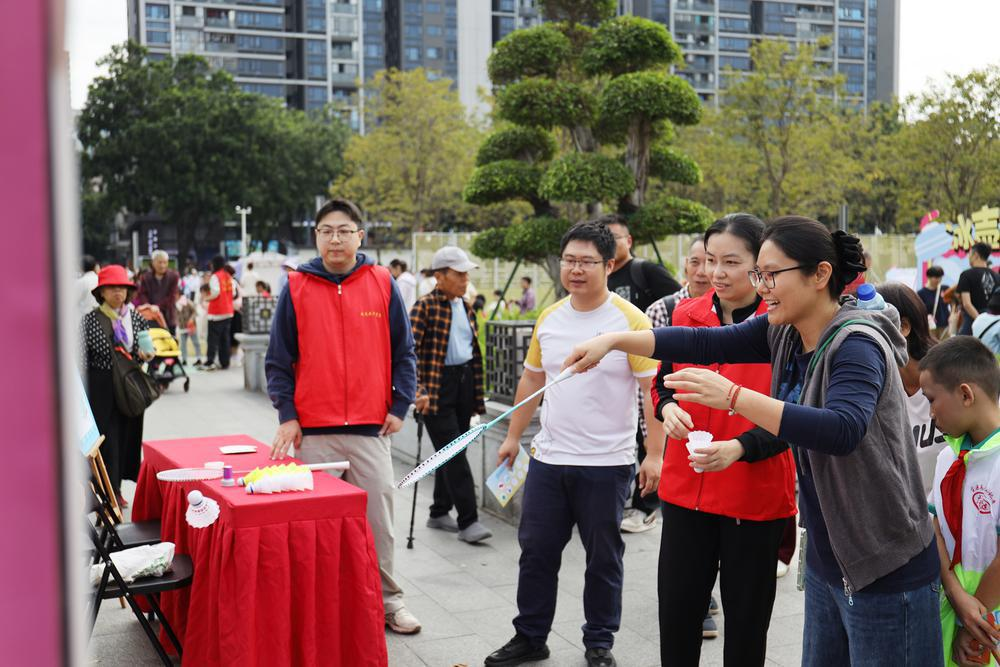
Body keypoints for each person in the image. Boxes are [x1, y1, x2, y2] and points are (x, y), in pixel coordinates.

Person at [565, 217, 942, 664]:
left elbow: (841, 430)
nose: (760, 286)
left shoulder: (857, 342)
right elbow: (702, 342)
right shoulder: (783, 330)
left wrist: (733, 398)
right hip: (829, 553)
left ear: (820, 274)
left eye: (770, 274)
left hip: (882, 555)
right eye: (758, 274)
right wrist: (613, 340)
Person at [484, 221, 663, 667]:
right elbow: (531, 379)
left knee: (604, 558)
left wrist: (654, 454)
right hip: (549, 458)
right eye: (569, 260)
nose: (575, 270)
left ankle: (599, 641)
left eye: (586, 262)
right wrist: (511, 436)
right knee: (536, 552)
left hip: (607, 463)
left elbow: (651, 390)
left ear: (609, 264)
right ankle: (530, 636)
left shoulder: (629, 321)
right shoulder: (551, 316)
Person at [265, 197, 421, 635]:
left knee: (379, 525)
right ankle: (318, 608)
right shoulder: (296, 287)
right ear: (316, 237)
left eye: (343, 230)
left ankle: (389, 603)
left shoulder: (382, 282)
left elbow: (403, 352)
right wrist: (287, 414)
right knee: (314, 529)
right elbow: (278, 359)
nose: (335, 238)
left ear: (360, 236)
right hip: (313, 433)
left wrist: (399, 404)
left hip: (371, 431)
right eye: (326, 231)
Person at [649, 214, 796, 665]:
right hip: (684, 488)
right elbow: (663, 382)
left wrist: (738, 448)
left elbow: (795, 417)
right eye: (710, 260)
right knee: (677, 619)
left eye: (731, 261)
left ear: (761, 264)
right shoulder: (686, 314)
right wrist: (667, 408)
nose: (715, 272)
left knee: (747, 629)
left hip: (751, 495)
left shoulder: (786, 325)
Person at [920, 336, 1000, 666]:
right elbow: (935, 524)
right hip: (952, 609)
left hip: (987, 621)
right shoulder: (948, 457)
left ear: (966, 394)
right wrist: (954, 593)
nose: (930, 413)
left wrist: (973, 623)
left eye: (932, 399)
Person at [601, 214, 681, 536]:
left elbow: (679, 305)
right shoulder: (600, 275)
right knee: (630, 435)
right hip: (613, 372)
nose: (611, 244)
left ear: (629, 241)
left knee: (649, 434)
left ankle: (646, 504)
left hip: (648, 368)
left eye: (616, 238)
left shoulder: (644, 271)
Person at [410, 246, 493, 544]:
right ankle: (468, 521)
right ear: (439, 276)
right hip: (435, 387)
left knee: (452, 449)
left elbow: (472, 351)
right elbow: (408, 353)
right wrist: (418, 390)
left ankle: (439, 511)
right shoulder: (424, 307)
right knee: (454, 451)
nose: (465, 279)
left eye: (466, 273)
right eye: (458, 274)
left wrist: (475, 395)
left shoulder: (465, 306)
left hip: (462, 384)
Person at [81, 265, 154, 503]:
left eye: (122, 288)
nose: (118, 293)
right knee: (107, 441)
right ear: (101, 292)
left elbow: (146, 350)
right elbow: (81, 358)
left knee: (127, 439)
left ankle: (118, 489)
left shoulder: (135, 317)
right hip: (101, 388)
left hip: (129, 388)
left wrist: (147, 356)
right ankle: (108, 492)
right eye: (112, 288)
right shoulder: (90, 320)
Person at [878, 283, 948, 496]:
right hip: (907, 521)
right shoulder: (877, 389)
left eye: (873, 325)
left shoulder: (951, 377)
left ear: (903, 327)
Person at [604, 215, 681, 313]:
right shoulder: (599, 277)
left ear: (629, 241)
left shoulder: (647, 270)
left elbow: (681, 301)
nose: (609, 243)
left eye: (614, 237)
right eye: (604, 239)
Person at [134, 249, 180, 332]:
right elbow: (143, 294)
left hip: (168, 315)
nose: (162, 265)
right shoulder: (146, 277)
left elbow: (172, 296)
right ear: (153, 263)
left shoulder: (174, 276)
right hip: (151, 315)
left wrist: (157, 306)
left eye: (165, 262)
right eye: (160, 262)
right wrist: (148, 306)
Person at [957, 242, 997, 335]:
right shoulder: (996, 276)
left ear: (975, 255)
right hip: (993, 324)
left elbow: (967, 304)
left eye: (969, 254)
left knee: (963, 347)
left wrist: (981, 322)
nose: (968, 257)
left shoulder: (966, 275)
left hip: (972, 323)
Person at [204, 255, 235, 370]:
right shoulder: (228, 275)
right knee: (225, 339)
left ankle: (210, 360)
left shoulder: (215, 276)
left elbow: (216, 292)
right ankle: (225, 362)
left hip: (216, 313)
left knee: (212, 339)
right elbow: (234, 292)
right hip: (228, 312)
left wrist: (207, 298)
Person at [919, 265, 950, 339]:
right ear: (929, 277)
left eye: (940, 277)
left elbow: (954, 302)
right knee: (933, 347)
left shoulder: (945, 289)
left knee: (945, 346)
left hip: (945, 325)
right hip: (931, 327)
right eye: (936, 277)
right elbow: (920, 310)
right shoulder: (921, 293)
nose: (939, 280)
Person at [175, 294, 201, 366]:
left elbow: (195, 312)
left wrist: (191, 319)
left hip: (190, 326)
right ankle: (184, 359)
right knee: (183, 344)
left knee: (196, 342)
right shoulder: (176, 304)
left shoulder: (187, 302)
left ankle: (198, 358)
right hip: (182, 327)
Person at [77, 255, 101, 320]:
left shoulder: (80, 282)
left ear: (81, 267)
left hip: (84, 318)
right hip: (100, 318)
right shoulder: (100, 279)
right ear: (94, 267)